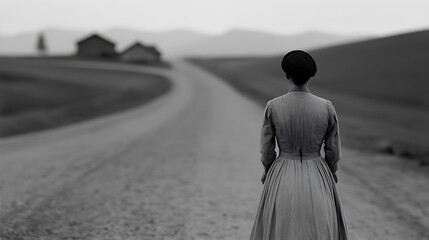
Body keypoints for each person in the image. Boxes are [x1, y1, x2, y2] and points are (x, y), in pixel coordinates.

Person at [249, 50, 349, 240]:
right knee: (320, 227)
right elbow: (333, 150)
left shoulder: (274, 106)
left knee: (280, 227)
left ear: (287, 75)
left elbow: (267, 149)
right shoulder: (326, 107)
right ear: (310, 75)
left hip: (282, 171)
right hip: (318, 171)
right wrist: (332, 171)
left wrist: (268, 170)